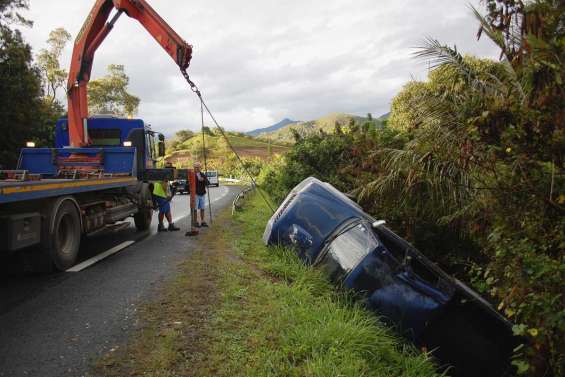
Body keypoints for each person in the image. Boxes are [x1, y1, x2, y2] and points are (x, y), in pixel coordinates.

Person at [153, 162, 180, 232]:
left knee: (167, 210)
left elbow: (166, 185)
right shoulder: (165, 174)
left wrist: (171, 189)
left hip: (160, 193)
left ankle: (170, 225)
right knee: (162, 211)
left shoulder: (164, 172)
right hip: (160, 194)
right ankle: (161, 226)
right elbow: (164, 185)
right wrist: (168, 195)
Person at [193, 162, 209, 227]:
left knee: (202, 208)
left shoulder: (202, 174)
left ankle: (202, 221)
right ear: (194, 168)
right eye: (195, 167)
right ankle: (195, 221)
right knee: (195, 209)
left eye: (198, 167)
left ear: (200, 168)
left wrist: (203, 180)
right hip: (195, 194)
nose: (197, 168)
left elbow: (208, 183)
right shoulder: (192, 174)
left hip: (202, 194)